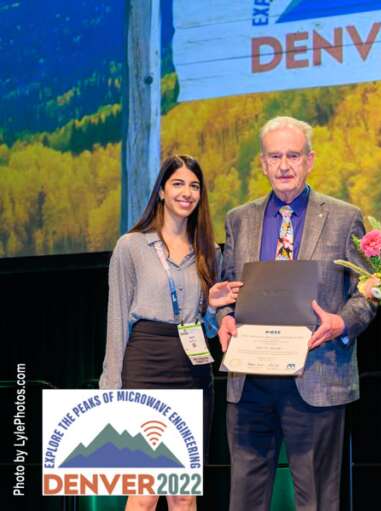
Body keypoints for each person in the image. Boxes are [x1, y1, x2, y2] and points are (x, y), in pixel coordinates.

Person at [215, 116, 376, 511]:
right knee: (244, 500)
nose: (284, 165)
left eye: (293, 155)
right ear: (263, 164)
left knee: (318, 500)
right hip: (250, 379)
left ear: (310, 160)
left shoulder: (345, 217)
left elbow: (368, 291)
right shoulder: (239, 219)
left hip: (317, 372)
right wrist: (224, 318)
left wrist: (342, 322)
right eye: (275, 156)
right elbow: (227, 289)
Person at [99, 154, 240, 511]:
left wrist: (213, 304)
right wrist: (110, 389)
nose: (187, 192)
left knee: (182, 494)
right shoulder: (130, 246)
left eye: (194, 185)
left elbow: (207, 328)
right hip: (146, 365)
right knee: (144, 494)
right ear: (161, 191)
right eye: (178, 183)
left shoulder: (210, 251)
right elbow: (117, 320)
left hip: (193, 371)